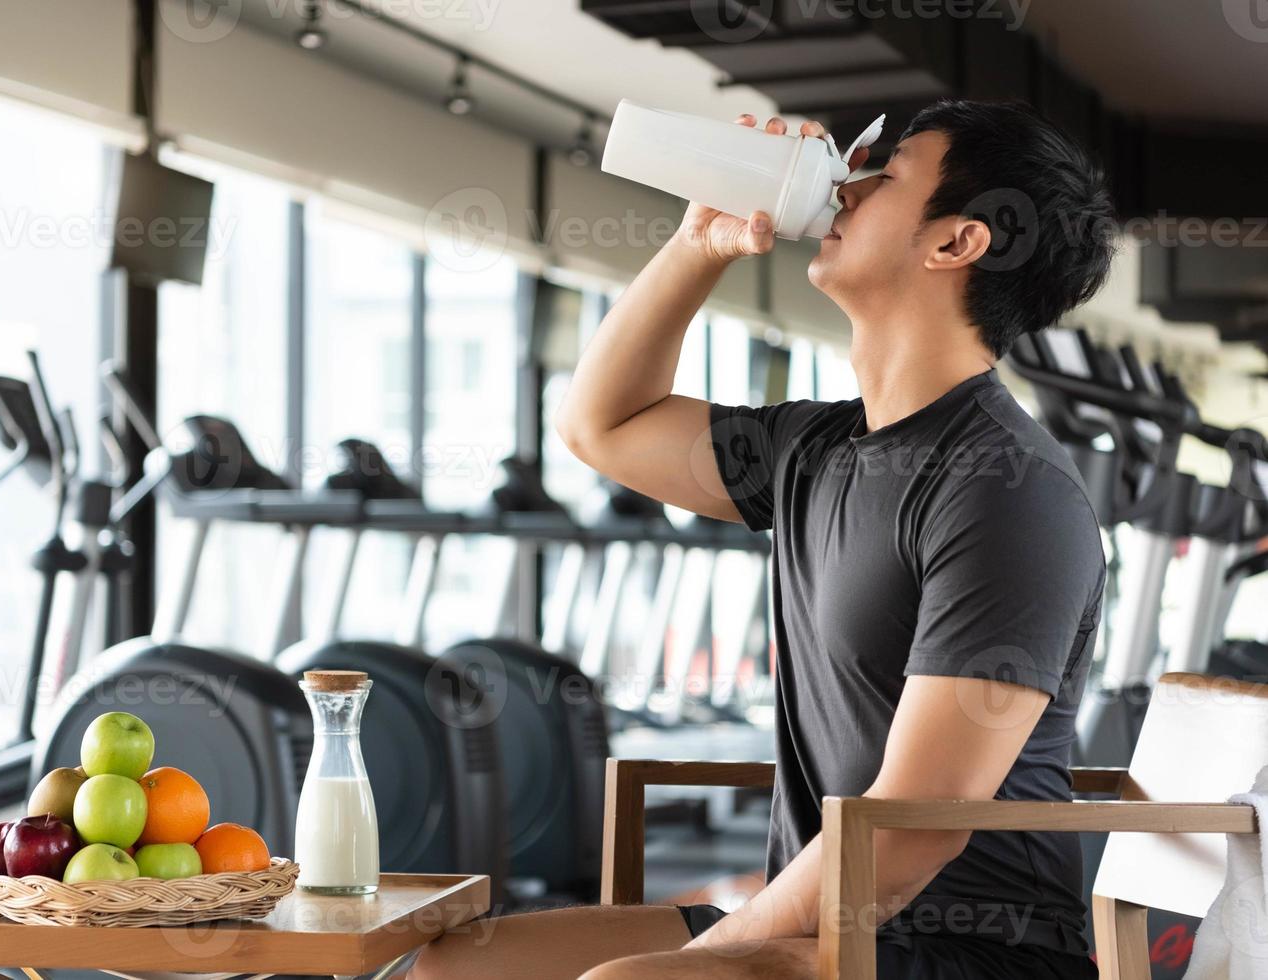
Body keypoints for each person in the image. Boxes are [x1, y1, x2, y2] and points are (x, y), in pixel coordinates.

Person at [410, 99, 1115, 980]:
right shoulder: (815, 446)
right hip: (816, 921)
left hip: (960, 950)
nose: (845, 188)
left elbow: (903, 839)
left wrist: (705, 953)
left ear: (955, 243)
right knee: (457, 967)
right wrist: (700, 242)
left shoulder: (1010, 494)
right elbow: (604, 425)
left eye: (883, 176)